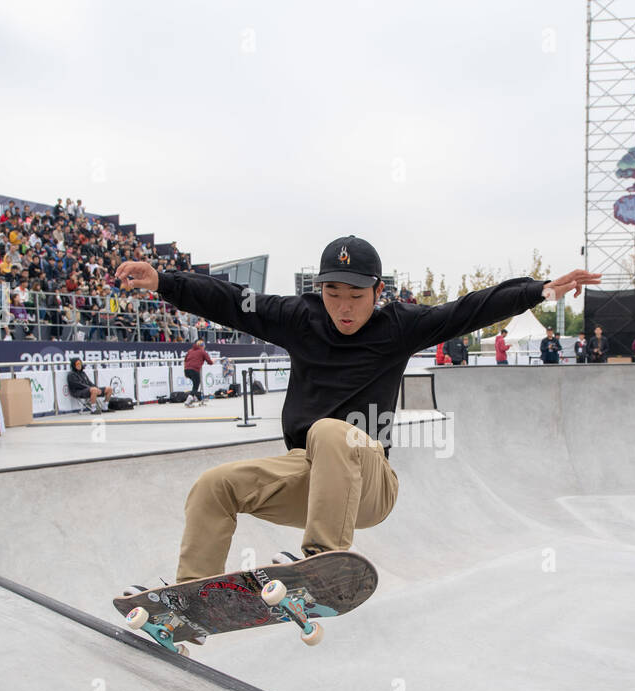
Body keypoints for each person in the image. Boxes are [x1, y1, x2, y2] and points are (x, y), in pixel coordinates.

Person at [114, 235, 599, 584]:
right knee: (214, 485)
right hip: (307, 478)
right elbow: (231, 302)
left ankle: (323, 561)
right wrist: (164, 281)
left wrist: (539, 290)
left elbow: (468, 309)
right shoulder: (297, 317)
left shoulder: (400, 326)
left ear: (377, 291)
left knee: (330, 432)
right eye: (332, 295)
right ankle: (190, 600)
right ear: (319, 290)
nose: (343, 309)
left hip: (370, 483)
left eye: (355, 297)